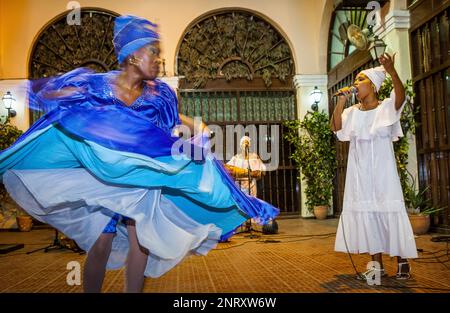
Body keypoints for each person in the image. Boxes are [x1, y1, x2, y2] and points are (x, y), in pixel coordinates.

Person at [0, 15, 279, 292]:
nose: (159, 60)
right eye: (154, 53)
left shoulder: (161, 95)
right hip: (106, 177)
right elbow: (67, 103)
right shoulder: (99, 86)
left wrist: (198, 128)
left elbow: (172, 129)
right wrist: (51, 95)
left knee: (141, 242)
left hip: (143, 179)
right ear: (133, 56)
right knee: (101, 244)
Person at [331, 53, 417, 280]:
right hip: (360, 173)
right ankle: (376, 265)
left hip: (383, 171)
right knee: (368, 214)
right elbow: (336, 128)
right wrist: (341, 101)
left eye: (360, 80)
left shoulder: (386, 107)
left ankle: (402, 260)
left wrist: (392, 72)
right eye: (356, 81)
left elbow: (400, 97)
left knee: (389, 211)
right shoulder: (351, 112)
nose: (355, 84)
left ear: (374, 85)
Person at [225, 136, 266, 232]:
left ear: (249, 145)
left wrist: (255, 172)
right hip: (239, 185)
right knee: (240, 204)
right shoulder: (235, 158)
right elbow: (228, 169)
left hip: (251, 184)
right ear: (240, 145)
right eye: (244, 143)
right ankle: (240, 224)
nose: (245, 145)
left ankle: (249, 224)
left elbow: (262, 170)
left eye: (247, 143)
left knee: (251, 203)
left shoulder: (254, 157)